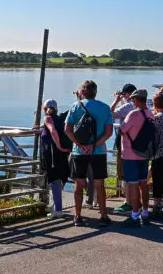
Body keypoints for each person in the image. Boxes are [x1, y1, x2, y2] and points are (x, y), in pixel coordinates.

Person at [65, 80, 115, 227]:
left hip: (78, 152)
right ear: (95, 92)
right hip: (98, 152)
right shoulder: (105, 108)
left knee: (79, 183)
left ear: (82, 92)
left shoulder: (75, 106)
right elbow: (109, 132)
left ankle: (78, 216)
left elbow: (67, 130)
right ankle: (103, 215)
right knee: (99, 183)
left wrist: (80, 145)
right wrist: (94, 145)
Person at [119, 90, 153, 227]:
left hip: (130, 155)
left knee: (132, 185)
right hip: (144, 154)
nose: (132, 102)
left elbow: (122, 130)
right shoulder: (151, 114)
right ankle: (145, 213)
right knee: (143, 183)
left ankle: (134, 216)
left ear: (137, 100)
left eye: (133, 100)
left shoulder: (133, 114)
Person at [111, 83, 138, 215]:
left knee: (126, 174)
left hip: (126, 145)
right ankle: (136, 200)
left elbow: (111, 114)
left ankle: (129, 202)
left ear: (128, 94)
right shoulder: (140, 105)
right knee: (138, 176)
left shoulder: (128, 106)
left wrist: (116, 100)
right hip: (139, 145)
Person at [40, 100, 70, 218]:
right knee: (58, 180)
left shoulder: (48, 119)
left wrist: (59, 147)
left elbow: (53, 131)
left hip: (52, 154)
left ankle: (58, 210)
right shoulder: (60, 119)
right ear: (56, 109)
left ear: (44, 109)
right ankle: (56, 206)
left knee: (54, 180)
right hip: (61, 155)